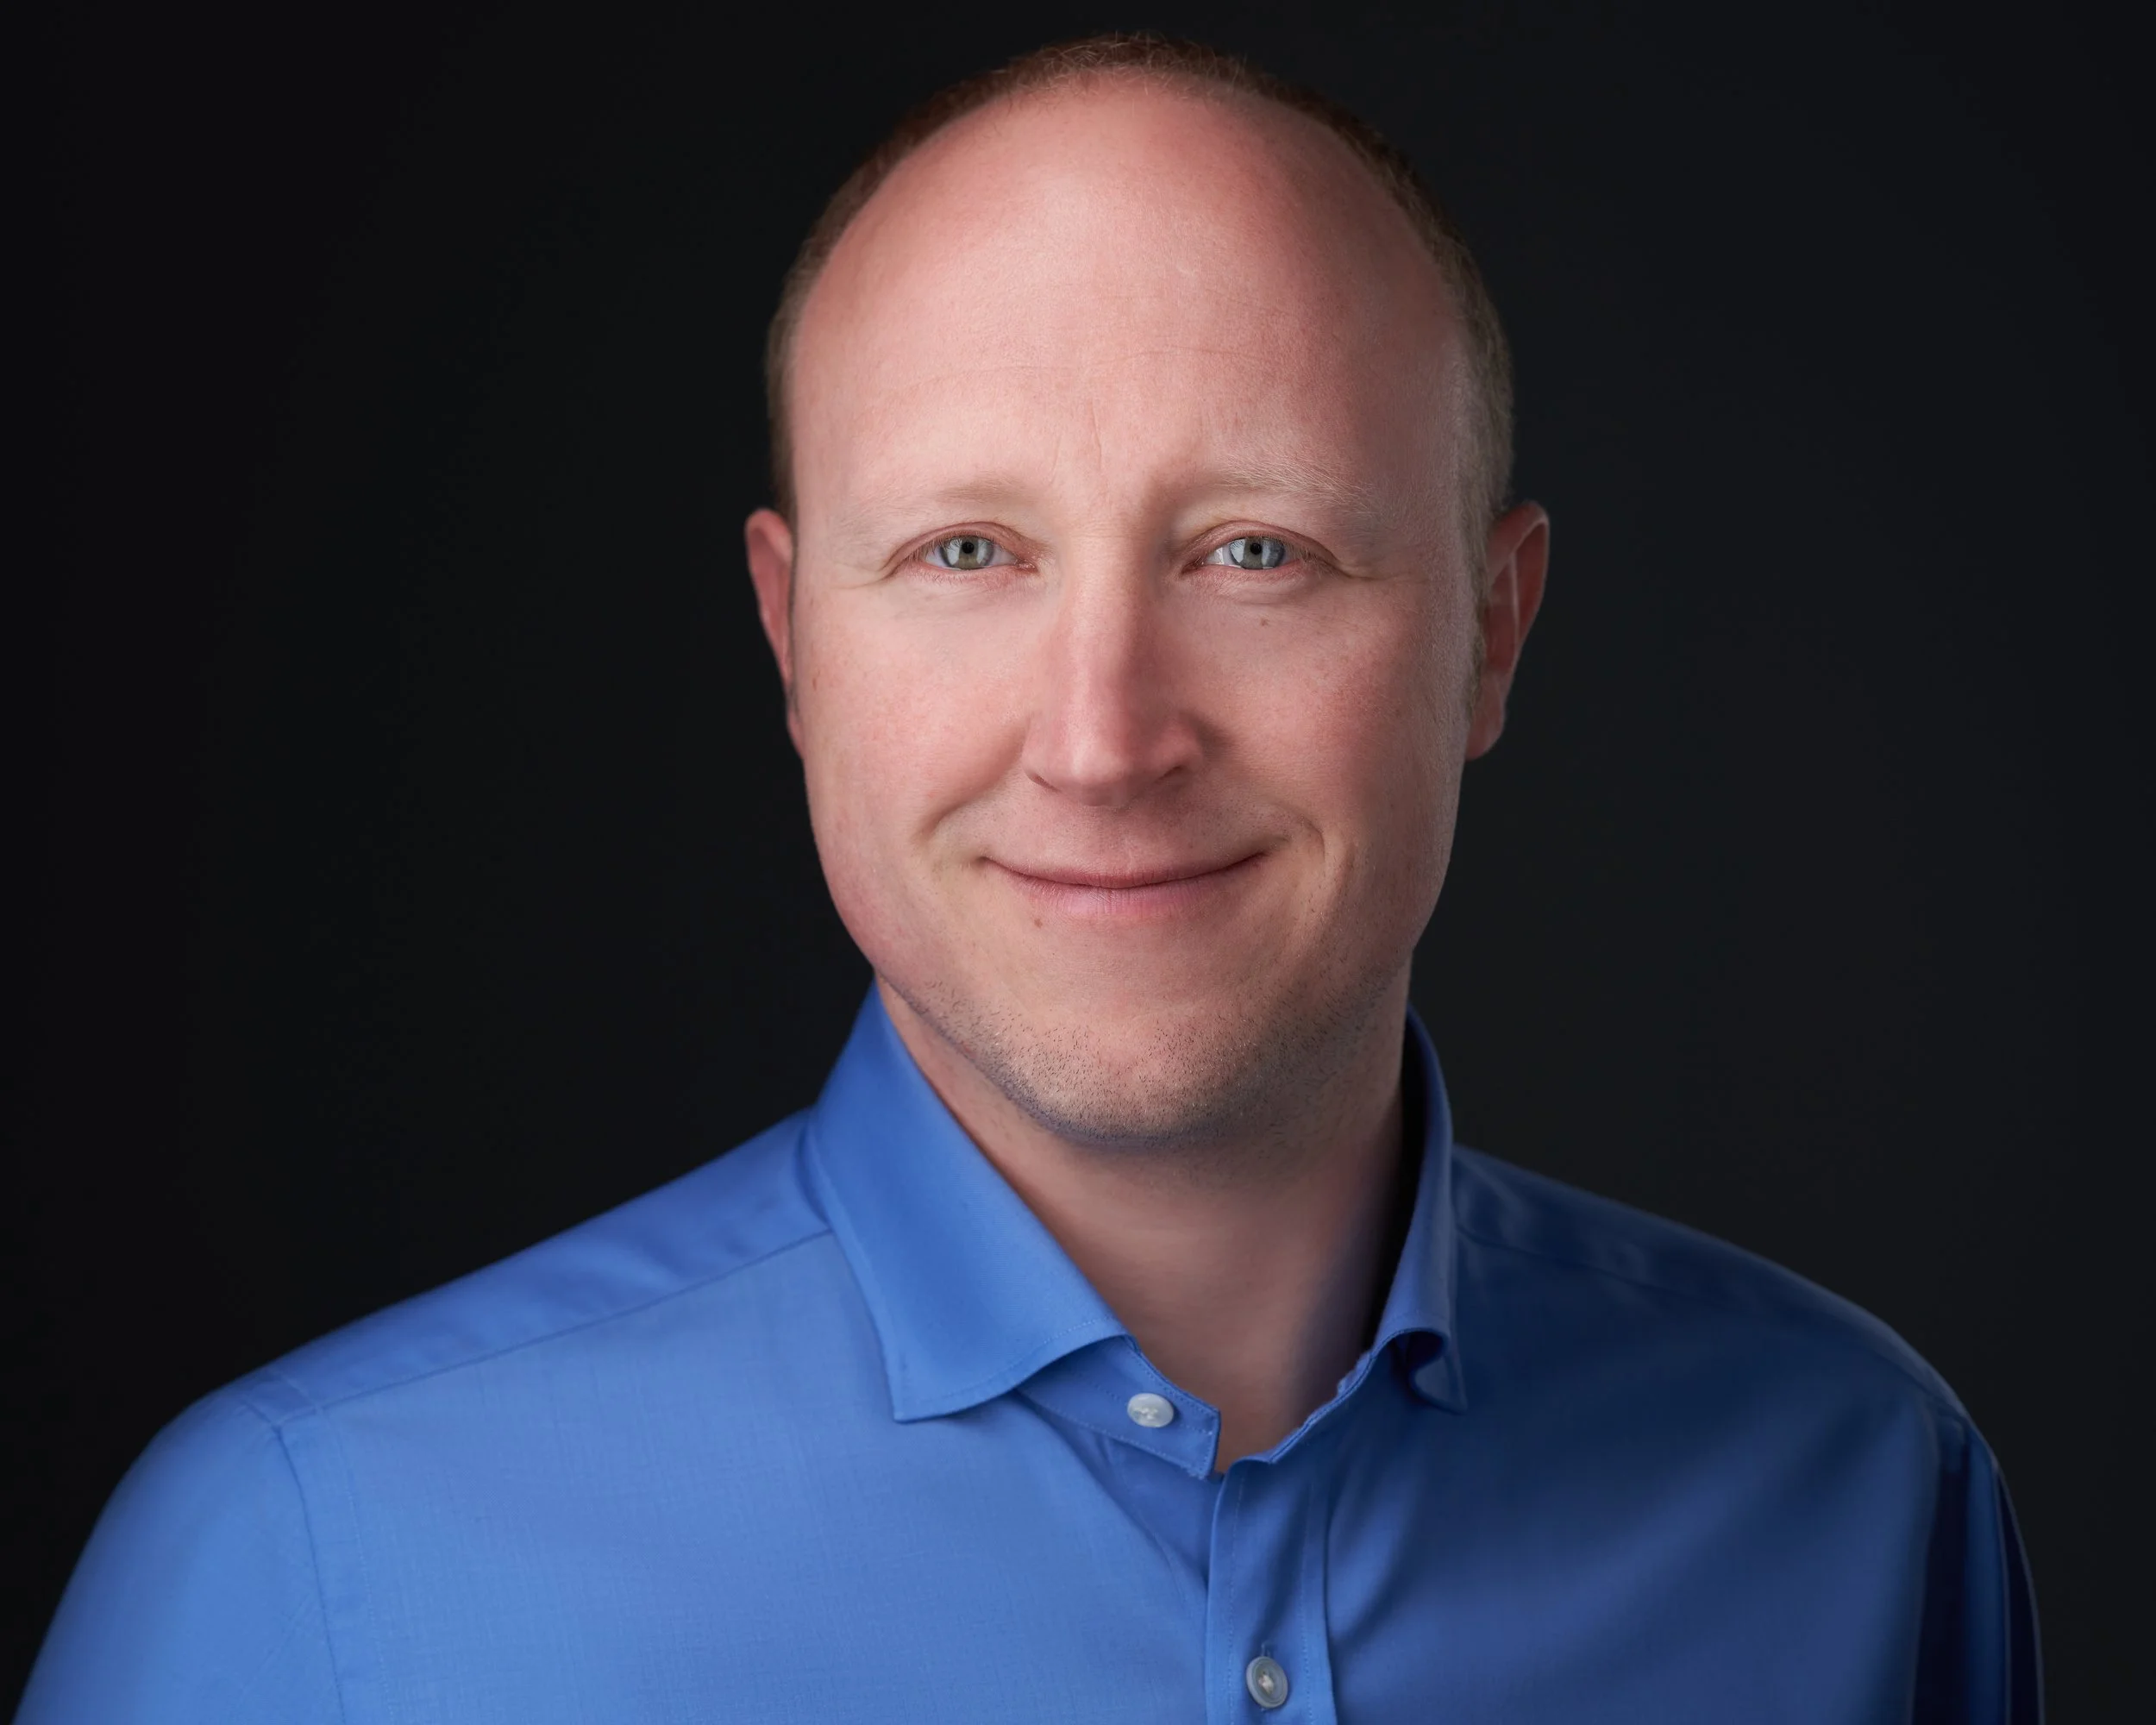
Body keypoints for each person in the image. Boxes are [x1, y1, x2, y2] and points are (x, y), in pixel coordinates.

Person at [19, 33, 2039, 1723]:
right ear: (792, 636)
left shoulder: (1857, 1500)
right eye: (965, 554)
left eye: (1253, 550)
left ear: (1489, 635)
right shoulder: (313, 1575)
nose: (1100, 736)